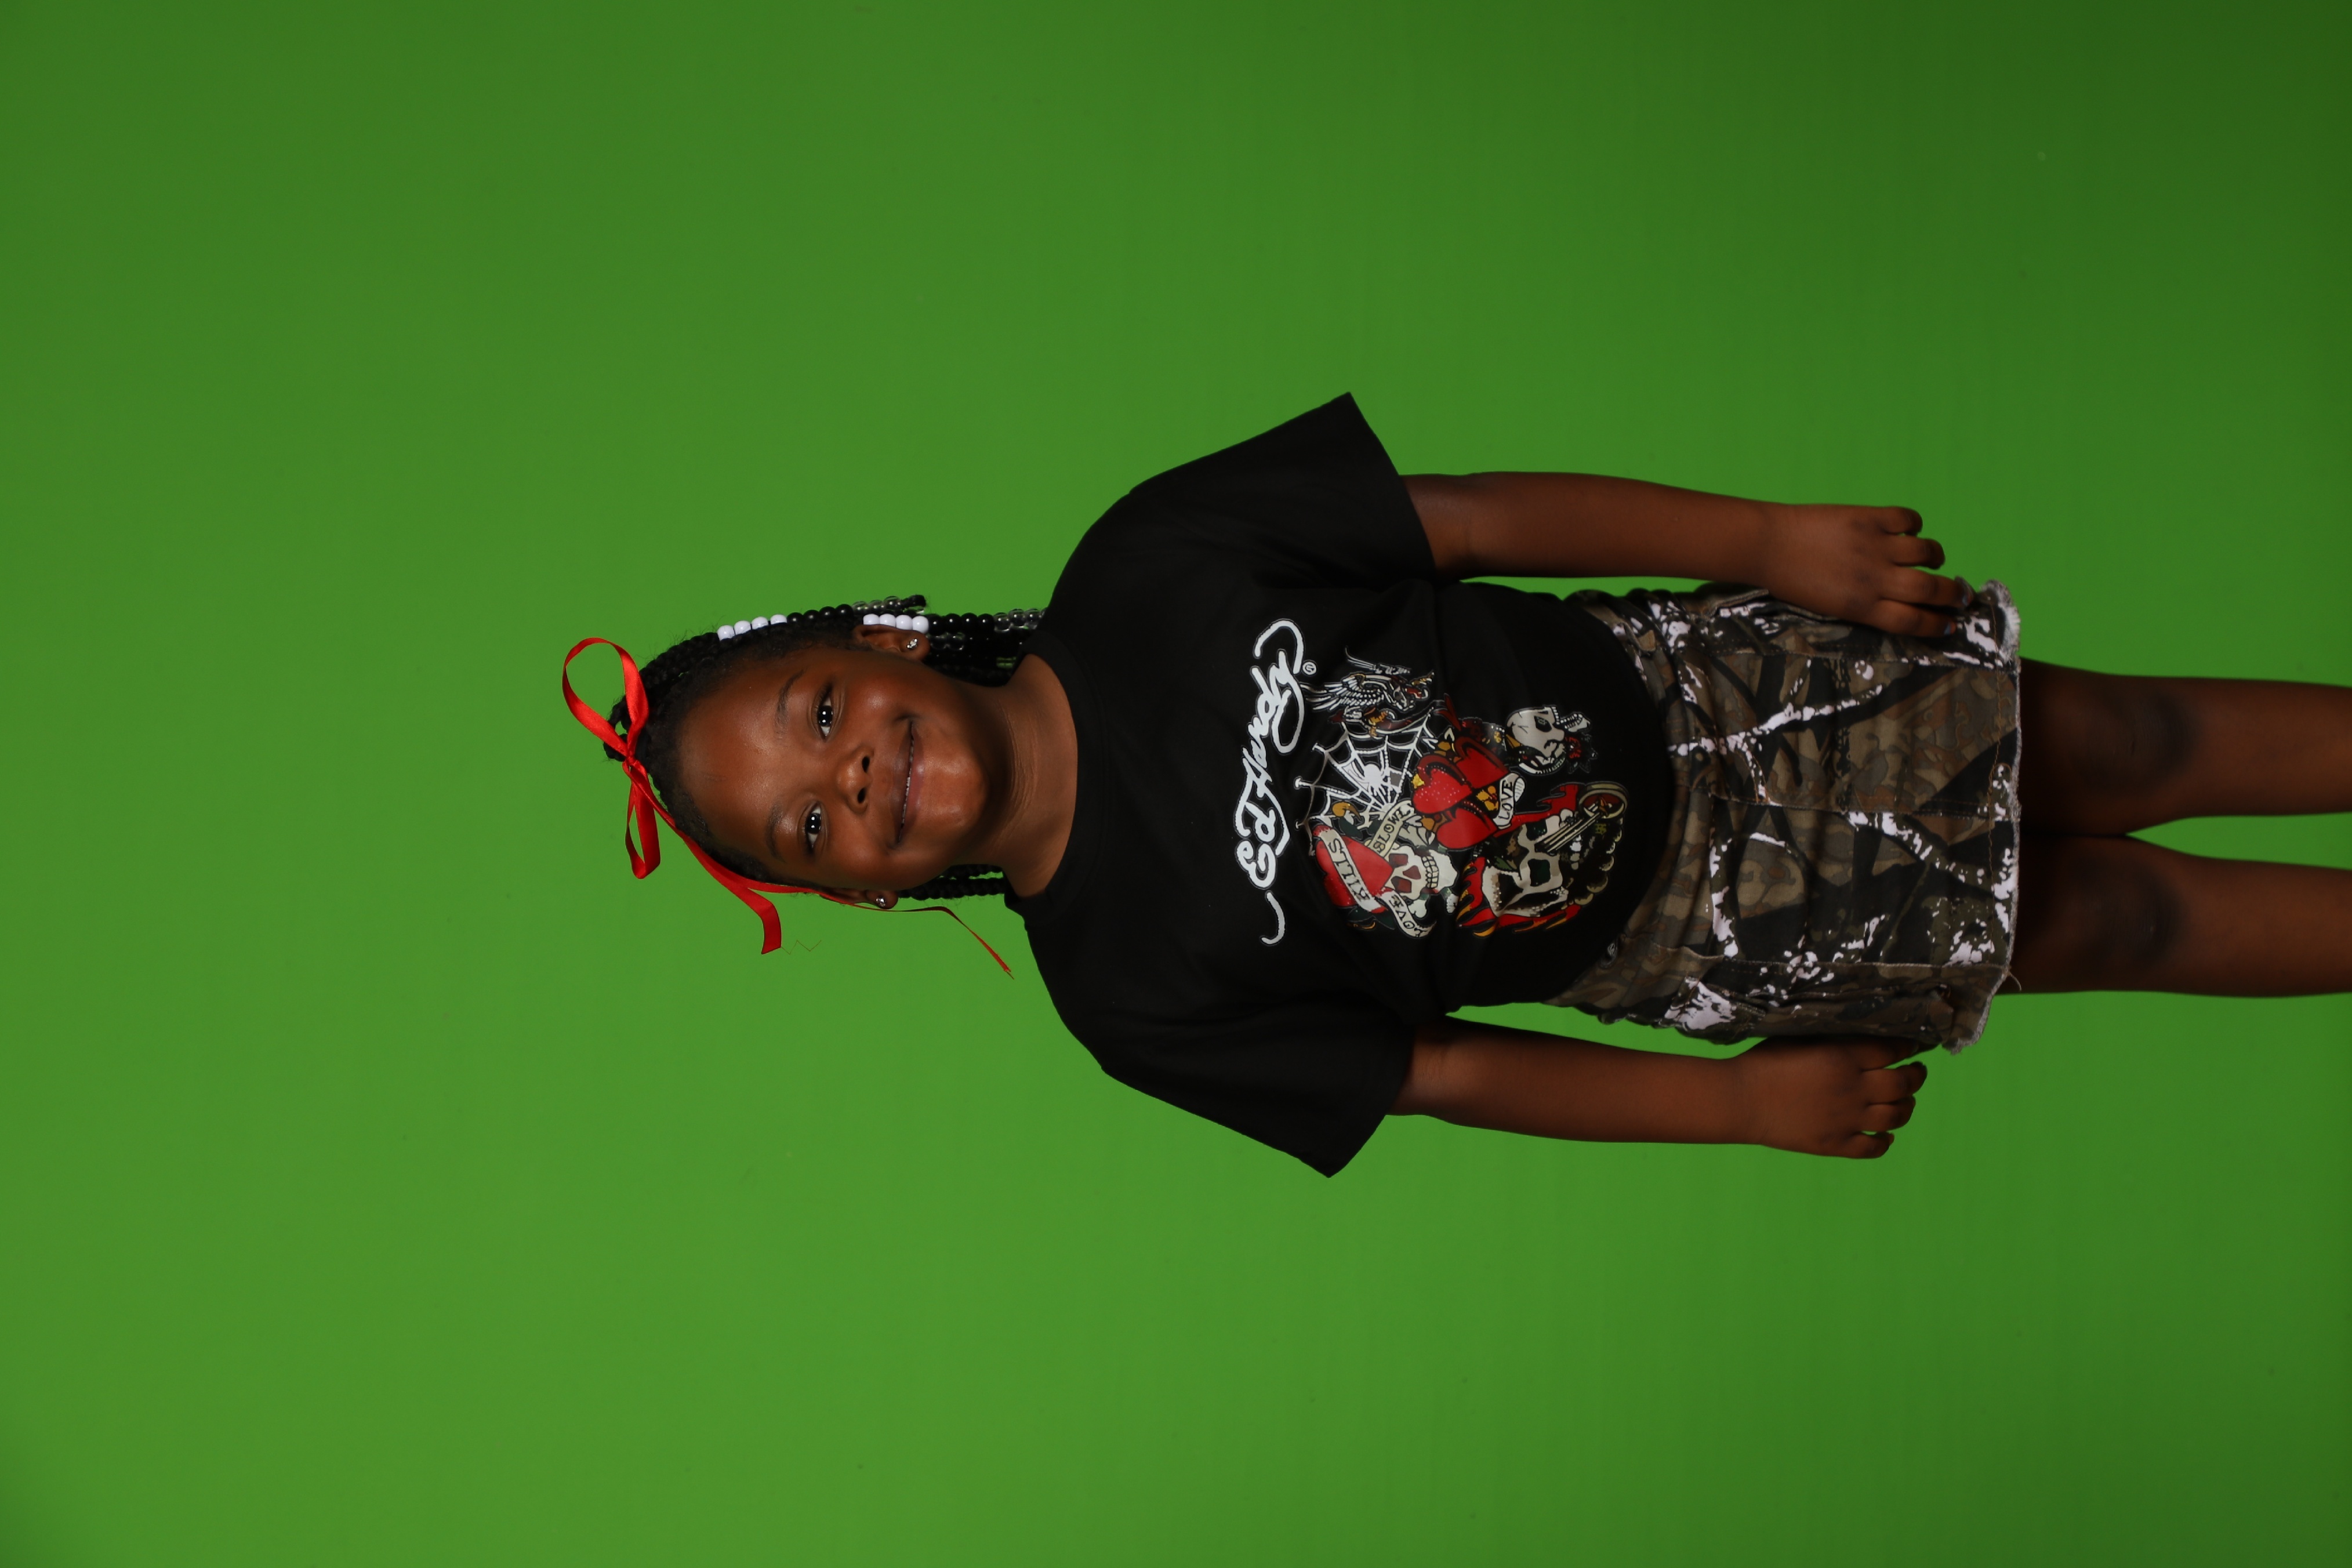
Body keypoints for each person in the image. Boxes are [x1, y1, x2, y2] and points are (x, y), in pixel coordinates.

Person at [561, 396, 2352, 1175]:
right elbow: (1443, 1071)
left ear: (875, 642)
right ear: (862, 892)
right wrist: (1731, 1113)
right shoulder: (1126, 999)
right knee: (2109, 918)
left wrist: (1765, 539)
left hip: (1725, 692)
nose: (855, 774)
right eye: (811, 825)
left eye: (819, 712)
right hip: (1719, 927)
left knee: (2128, 740)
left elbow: (1471, 521)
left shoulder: (1146, 560)